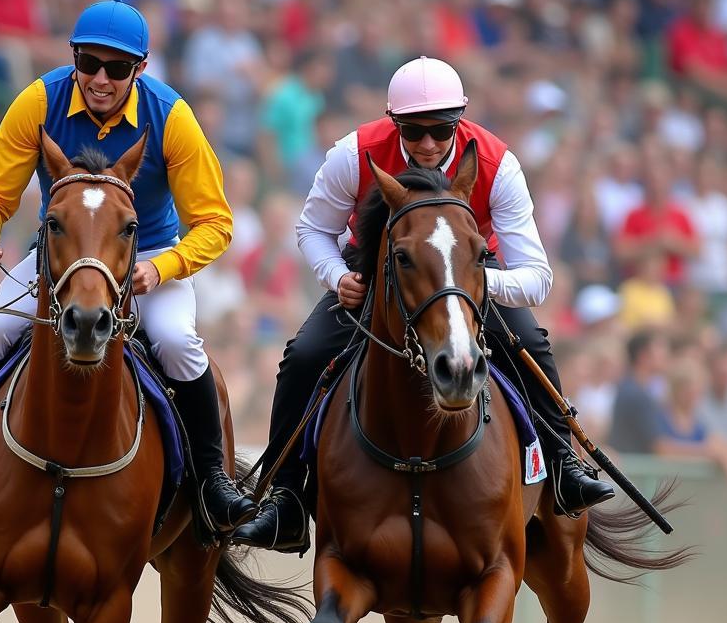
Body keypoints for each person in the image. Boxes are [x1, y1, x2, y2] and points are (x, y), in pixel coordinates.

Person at [0, 0, 254, 538]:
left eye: (118, 68)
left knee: (176, 342)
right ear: (73, 58)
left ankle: (212, 484)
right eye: (88, 63)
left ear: (141, 69)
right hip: (62, 253)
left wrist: (165, 268)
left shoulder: (172, 117)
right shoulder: (37, 101)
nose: (100, 79)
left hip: (145, 253)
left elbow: (215, 222)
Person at [231, 56, 614, 552]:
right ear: (394, 124)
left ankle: (563, 466)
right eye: (413, 132)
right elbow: (313, 229)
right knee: (303, 355)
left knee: (533, 345)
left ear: (461, 120)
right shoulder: (354, 153)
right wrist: (338, 276)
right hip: (378, 273)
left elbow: (537, 278)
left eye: (440, 130)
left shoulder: (499, 164)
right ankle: (285, 500)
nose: (428, 144)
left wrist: (467, 284)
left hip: (472, 270)